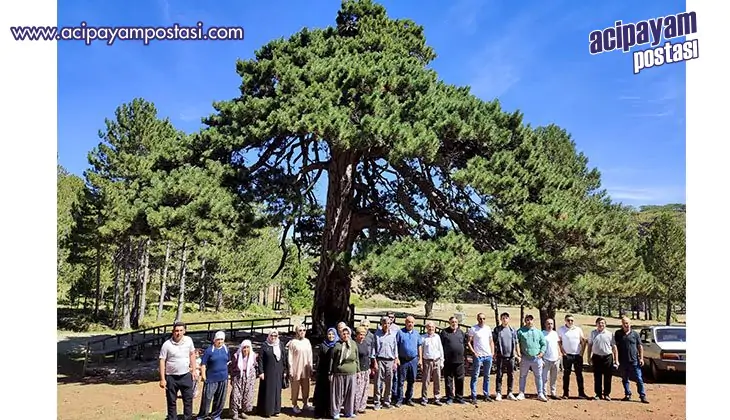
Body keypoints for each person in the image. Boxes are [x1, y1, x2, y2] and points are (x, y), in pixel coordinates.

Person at [159, 321, 197, 420]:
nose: (178, 333)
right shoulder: (166, 345)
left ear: (184, 331)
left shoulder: (189, 340)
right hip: (171, 377)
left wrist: (193, 370)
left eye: (181, 330)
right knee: (171, 401)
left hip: (185, 375)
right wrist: (162, 379)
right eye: (176, 331)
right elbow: (162, 361)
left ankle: (187, 418)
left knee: (188, 401)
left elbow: (192, 354)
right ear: (173, 331)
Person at [614, 316, 649, 404]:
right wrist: (616, 360)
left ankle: (642, 396)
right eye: (624, 323)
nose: (626, 325)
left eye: (628, 323)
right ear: (622, 324)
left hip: (634, 360)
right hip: (623, 361)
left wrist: (641, 358)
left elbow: (640, 346)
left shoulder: (635, 334)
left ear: (630, 324)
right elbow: (615, 347)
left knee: (639, 379)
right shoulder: (618, 333)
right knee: (625, 379)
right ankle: (627, 394)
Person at [256, 330, 289, 418]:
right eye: (272, 335)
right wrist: (261, 372)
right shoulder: (264, 345)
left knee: (277, 391)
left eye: (275, 335)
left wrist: (285, 370)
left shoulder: (280, 344)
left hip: (279, 371)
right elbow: (260, 360)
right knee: (268, 391)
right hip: (268, 372)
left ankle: (276, 409)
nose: (273, 337)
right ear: (269, 336)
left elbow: (284, 357)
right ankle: (267, 410)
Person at [198, 331, 230, 420]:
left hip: (223, 378)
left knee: (220, 398)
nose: (220, 341)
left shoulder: (226, 349)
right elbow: (203, 364)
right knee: (207, 398)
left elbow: (228, 362)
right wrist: (203, 376)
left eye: (221, 339)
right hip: (211, 378)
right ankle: (202, 416)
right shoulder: (209, 351)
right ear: (214, 340)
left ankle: (216, 415)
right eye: (218, 339)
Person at [516, 314, 548, 402]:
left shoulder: (538, 332)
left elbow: (543, 344)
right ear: (525, 321)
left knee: (538, 376)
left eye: (531, 319)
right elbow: (517, 343)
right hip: (525, 357)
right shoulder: (520, 331)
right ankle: (521, 393)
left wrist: (541, 353)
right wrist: (518, 354)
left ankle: (540, 393)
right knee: (523, 376)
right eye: (527, 320)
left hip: (536, 358)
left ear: (533, 320)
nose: (529, 321)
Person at [330, 326, 360, 419]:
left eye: (347, 333)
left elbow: (357, 358)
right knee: (337, 394)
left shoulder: (353, 344)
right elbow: (332, 360)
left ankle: (349, 412)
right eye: (343, 333)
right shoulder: (337, 345)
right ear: (340, 335)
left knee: (350, 394)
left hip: (352, 372)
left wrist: (358, 371)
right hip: (338, 373)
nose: (345, 335)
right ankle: (335, 412)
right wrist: (330, 372)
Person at [557, 314, 588, 399]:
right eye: (568, 320)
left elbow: (583, 341)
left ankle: (581, 393)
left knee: (579, 375)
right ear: (565, 320)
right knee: (566, 375)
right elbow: (559, 342)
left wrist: (581, 353)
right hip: (567, 356)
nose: (570, 322)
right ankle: (565, 393)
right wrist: (563, 352)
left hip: (577, 355)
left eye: (571, 320)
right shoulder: (561, 329)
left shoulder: (578, 329)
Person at [395, 316, 423, 407]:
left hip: (413, 360)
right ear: (405, 322)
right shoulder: (400, 333)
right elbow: (396, 346)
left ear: (414, 323)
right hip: (402, 360)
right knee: (401, 381)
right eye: (408, 322)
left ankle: (408, 399)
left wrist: (420, 359)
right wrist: (397, 358)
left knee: (412, 380)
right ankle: (399, 399)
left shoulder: (416, 333)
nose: (410, 324)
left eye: (412, 322)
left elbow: (419, 346)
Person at [587, 317, 618, 401]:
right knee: (597, 376)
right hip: (596, 357)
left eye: (602, 323)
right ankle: (598, 394)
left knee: (608, 377)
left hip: (607, 357)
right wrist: (588, 357)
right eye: (599, 323)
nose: (601, 325)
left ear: (605, 324)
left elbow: (614, 347)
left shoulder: (610, 334)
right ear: (596, 324)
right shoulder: (593, 333)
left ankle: (607, 394)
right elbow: (589, 345)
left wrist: (616, 360)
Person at [467, 312, 495, 404]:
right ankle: (473, 395)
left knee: (487, 376)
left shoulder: (487, 328)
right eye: (480, 318)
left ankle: (486, 395)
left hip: (488, 356)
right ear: (477, 319)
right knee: (475, 375)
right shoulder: (473, 329)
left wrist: (492, 352)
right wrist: (474, 353)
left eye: (483, 318)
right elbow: (468, 342)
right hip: (478, 356)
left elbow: (491, 341)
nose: (482, 320)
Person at [287, 324, 314, 413]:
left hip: (305, 368)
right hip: (296, 368)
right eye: (300, 330)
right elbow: (290, 357)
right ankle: (294, 404)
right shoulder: (293, 342)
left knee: (306, 387)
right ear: (297, 332)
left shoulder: (307, 341)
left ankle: (305, 403)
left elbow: (310, 355)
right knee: (295, 388)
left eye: (304, 330)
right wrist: (290, 369)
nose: (302, 332)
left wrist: (311, 367)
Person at [373, 316, 398, 410]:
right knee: (378, 382)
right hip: (380, 360)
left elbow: (395, 348)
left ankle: (387, 401)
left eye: (388, 323)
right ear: (381, 324)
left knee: (389, 382)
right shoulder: (377, 334)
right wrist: (374, 362)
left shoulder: (393, 335)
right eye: (384, 323)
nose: (386, 325)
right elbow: (373, 349)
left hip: (390, 361)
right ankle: (377, 402)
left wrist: (395, 361)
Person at [440, 316, 467, 405]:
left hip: (459, 361)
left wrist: (465, 358)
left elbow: (464, 345)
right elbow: (441, 346)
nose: (454, 323)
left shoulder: (461, 333)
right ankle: (449, 397)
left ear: (457, 323)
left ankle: (459, 397)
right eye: (452, 322)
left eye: (455, 322)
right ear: (449, 322)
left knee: (460, 380)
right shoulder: (444, 332)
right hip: (448, 361)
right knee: (448, 380)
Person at [492, 312, 518, 401]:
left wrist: (517, 354)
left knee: (511, 375)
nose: (505, 319)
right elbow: (493, 342)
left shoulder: (512, 330)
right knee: (499, 374)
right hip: (500, 356)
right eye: (503, 318)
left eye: (506, 318)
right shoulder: (497, 330)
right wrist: (494, 353)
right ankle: (498, 392)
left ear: (508, 319)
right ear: (501, 319)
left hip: (511, 356)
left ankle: (509, 392)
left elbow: (516, 342)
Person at [229, 340, 258, 420]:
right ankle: (235, 412)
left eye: (247, 347)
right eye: (244, 347)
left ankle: (243, 411)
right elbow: (232, 367)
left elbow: (255, 365)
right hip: (238, 376)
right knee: (236, 394)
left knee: (247, 395)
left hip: (249, 377)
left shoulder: (253, 356)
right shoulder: (236, 356)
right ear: (241, 348)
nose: (246, 349)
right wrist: (232, 378)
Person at [313, 328, 339, 419]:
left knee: (331, 393)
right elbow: (318, 359)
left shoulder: (337, 345)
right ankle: (319, 412)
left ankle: (329, 412)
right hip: (323, 372)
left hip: (333, 372)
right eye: (329, 334)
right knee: (321, 393)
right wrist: (317, 371)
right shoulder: (322, 345)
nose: (331, 336)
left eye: (333, 334)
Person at [420, 321, 444, 406]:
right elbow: (421, 351)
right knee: (426, 381)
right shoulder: (423, 338)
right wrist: (421, 363)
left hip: (436, 360)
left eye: (432, 327)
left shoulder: (437, 337)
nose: (431, 328)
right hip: (427, 361)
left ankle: (437, 397)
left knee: (437, 380)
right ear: (426, 328)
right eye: (429, 327)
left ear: (435, 328)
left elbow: (440, 349)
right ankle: (424, 398)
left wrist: (442, 361)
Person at [354, 326, 376, 413]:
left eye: (363, 334)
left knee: (365, 389)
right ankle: (355, 407)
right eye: (360, 334)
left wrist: (370, 367)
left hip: (366, 369)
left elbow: (368, 356)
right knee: (358, 390)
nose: (362, 336)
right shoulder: (355, 344)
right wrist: (357, 370)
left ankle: (362, 407)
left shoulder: (365, 343)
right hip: (359, 370)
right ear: (357, 335)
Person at [542, 319, 560, 400]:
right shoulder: (542, 334)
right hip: (546, 359)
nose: (550, 325)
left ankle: (553, 393)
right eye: (548, 324)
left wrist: (559, 355)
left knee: (554, 377)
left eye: (551, 324)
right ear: (545, 324)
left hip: (555, 359)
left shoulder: (555, 333)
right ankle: (544, 393)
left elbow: (557, 345)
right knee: (545, 377)